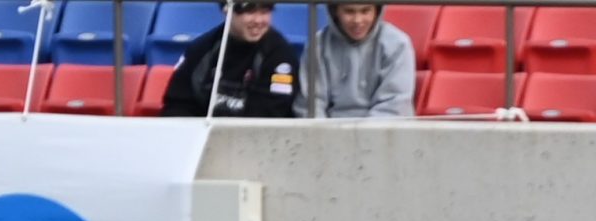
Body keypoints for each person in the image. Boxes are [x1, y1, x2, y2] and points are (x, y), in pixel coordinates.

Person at [160, 1, 298, 119]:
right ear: (227, 10)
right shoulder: (202, 49)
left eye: (265, 11)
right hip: (202, 135)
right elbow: (177, 106)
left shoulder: (280, 55)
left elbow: (268, 118)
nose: (258, 20)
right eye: (249, 11)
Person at [295, 2, 415, 119]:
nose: (357, 20)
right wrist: (323, 131)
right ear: (335, 11)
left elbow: (394, 104)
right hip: (330, 128)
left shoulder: (398, 44)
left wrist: (363, 132)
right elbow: (311, 104)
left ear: (377, 11)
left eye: (365, 11)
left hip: (383, 129)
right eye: (349, 11)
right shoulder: (318, 43)